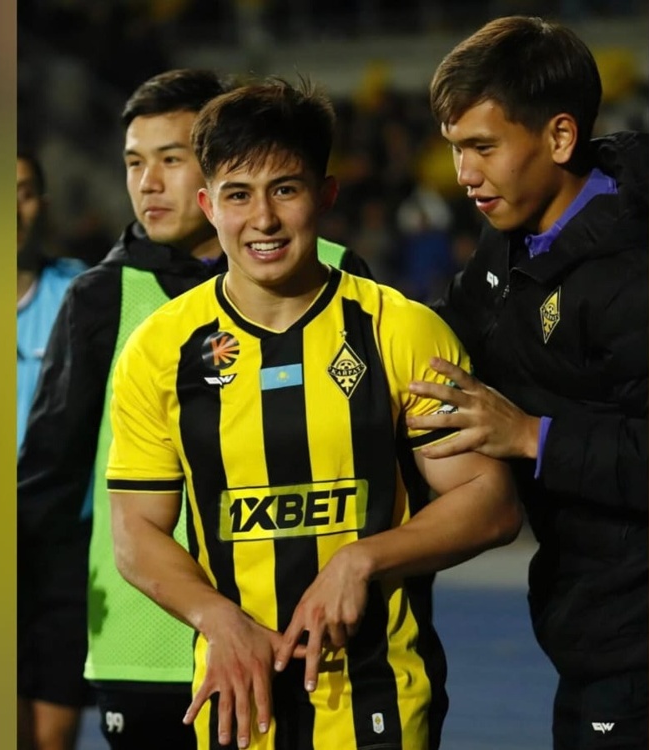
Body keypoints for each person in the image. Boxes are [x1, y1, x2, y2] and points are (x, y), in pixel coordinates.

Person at [105, 76, 523, 750]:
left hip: (380, 696)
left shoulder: (400, 329)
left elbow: (490, 502)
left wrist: (362, 560)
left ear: (325, 195)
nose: (263, 220)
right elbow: (134, 531)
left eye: (285, 190)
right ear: (209, 205)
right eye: (238, 195)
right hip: (237, 697)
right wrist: (217, 619)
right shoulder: (159, 350)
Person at [17, 69, 374, 750]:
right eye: (134, 163)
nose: (148, 183)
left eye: (171, 160)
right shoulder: (102, 298)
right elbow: (49, 480)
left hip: (305, 638)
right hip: (147, 649)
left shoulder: (335, 271)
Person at [408, 16, 648, 750]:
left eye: (482, 147)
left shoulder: (639, 272)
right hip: (594, 625)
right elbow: (450, 331)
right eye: (455, 148)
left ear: (560, 137)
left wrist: (530, 436)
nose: (463, 174)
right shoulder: (513, 235)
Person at [16, 151, 91, 750]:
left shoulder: (81, 293)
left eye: (22, 192)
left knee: (52, 734)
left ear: (42, 203)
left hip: (66, 542)